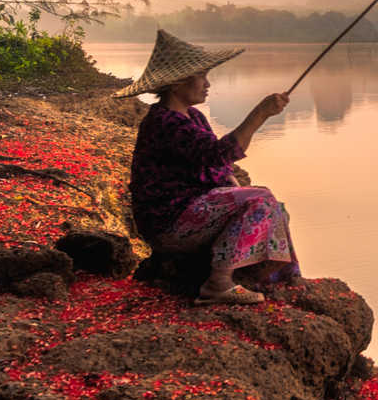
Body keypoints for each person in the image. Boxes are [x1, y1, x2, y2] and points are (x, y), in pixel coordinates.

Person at [116, 30, 300, 304]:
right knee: (260, 198)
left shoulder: (193, 117)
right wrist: (260, 113)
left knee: (274, 206)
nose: (207, 83)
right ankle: (219, 283)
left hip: (193, 213)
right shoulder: (165, 123)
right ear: (177, 83)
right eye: (201, 77)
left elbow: (216, 167)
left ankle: (269, 276)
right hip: (169, 224)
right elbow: (221, 153)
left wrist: (236, 189)